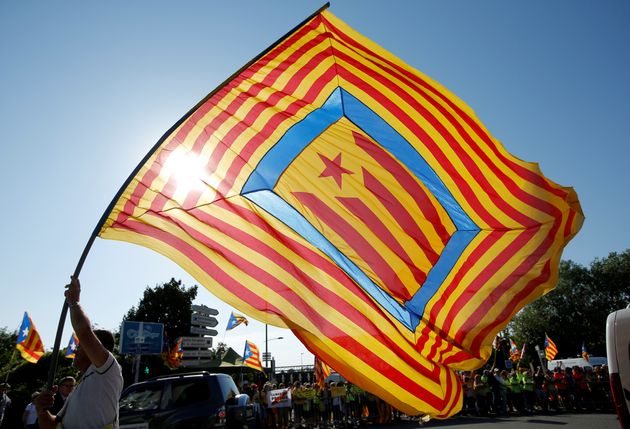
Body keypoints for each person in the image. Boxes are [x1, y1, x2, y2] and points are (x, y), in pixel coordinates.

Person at [34, 276, 123, 429]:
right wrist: (42, 410)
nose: (75, 350)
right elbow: (51, 425)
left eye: (80, 346)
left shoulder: (109, 370)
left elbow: (84, 332)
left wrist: (74, 302)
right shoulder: (79, 388)